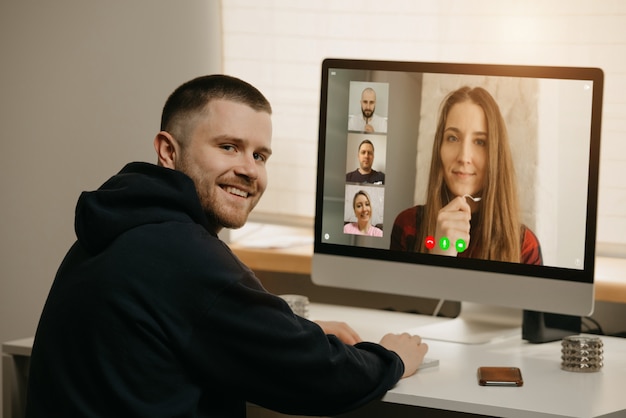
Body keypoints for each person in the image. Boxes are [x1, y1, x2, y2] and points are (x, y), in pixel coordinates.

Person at [26, 75, 428, 417]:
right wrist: (391, 358)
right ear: (169, 150)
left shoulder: (123, 222)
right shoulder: (184, 253)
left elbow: (195, 319)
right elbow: (319, 377)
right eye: (228, 147)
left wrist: (278, 330)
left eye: (260, 155)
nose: (249, 170)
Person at [391, 86, 543, 264]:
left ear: (495, 155)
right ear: (439, 147)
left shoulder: (524, 247)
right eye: (453, 138)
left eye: (480, 142)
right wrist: (440, 255)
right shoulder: (408, 226)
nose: (463, 157)